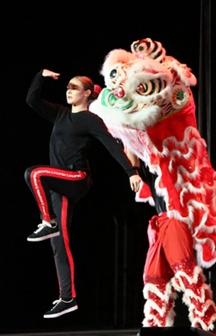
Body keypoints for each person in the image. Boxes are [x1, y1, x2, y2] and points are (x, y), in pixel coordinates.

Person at [24, 69, 142, 319]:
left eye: (74, 87)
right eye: (67, 86)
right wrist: (40, 77)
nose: (68, 90)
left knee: (34, 174)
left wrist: (131, 172)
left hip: (76, 177)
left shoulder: (90, 119)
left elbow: (111, 145)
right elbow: (31, 101)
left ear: (87, 93)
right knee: (59, 243)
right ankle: (67, 298)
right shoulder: (59, 114)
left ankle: (47, 221)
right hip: (59, 185)